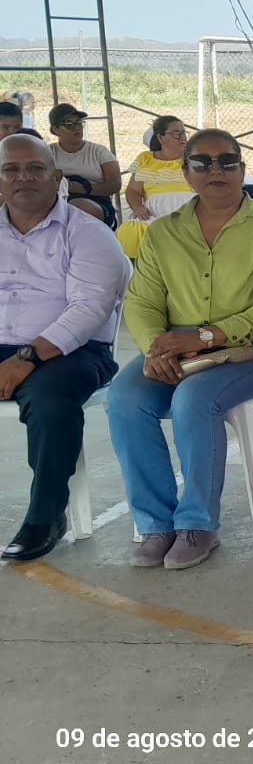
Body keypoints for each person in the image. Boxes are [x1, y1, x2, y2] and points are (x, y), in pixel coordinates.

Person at [108, 129, 253, 570]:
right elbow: (141, 301)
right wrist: (155, 349)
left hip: (251, 351)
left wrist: (205, 337)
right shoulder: (163, 233)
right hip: (174, 349)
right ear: (186, 172)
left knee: (193, 398)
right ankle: (157, 524)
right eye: (202, 162)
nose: (216, 171)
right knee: (124, 399)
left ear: (242, 169)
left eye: (227, 161)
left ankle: (198, 524)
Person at [0, 134, 128, 562]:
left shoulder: (88, 234)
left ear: (57, 177)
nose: (23, 178)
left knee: (50, 401)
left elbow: (89, 309)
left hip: (74, 351)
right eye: (10, 170)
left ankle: (45, 517)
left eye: (35, 169)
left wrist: (26, 358)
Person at [46, 103, 120, 226]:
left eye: (79, 123)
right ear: (55, 130)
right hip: (56, 201)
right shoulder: (47, 153)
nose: (77, 128)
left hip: (96, 202)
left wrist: (83, 188)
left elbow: (115, 184)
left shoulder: (99, 151)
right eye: (69, 124)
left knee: (79, 208)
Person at [124, 116, 194, 224]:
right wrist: (138, 207)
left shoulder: (194, 158)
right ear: (160, 138)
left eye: (183, 133)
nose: (183, 137)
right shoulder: (145, 159)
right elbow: (133, 190)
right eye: (176, 134)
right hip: (153, 215)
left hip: (189, 213)